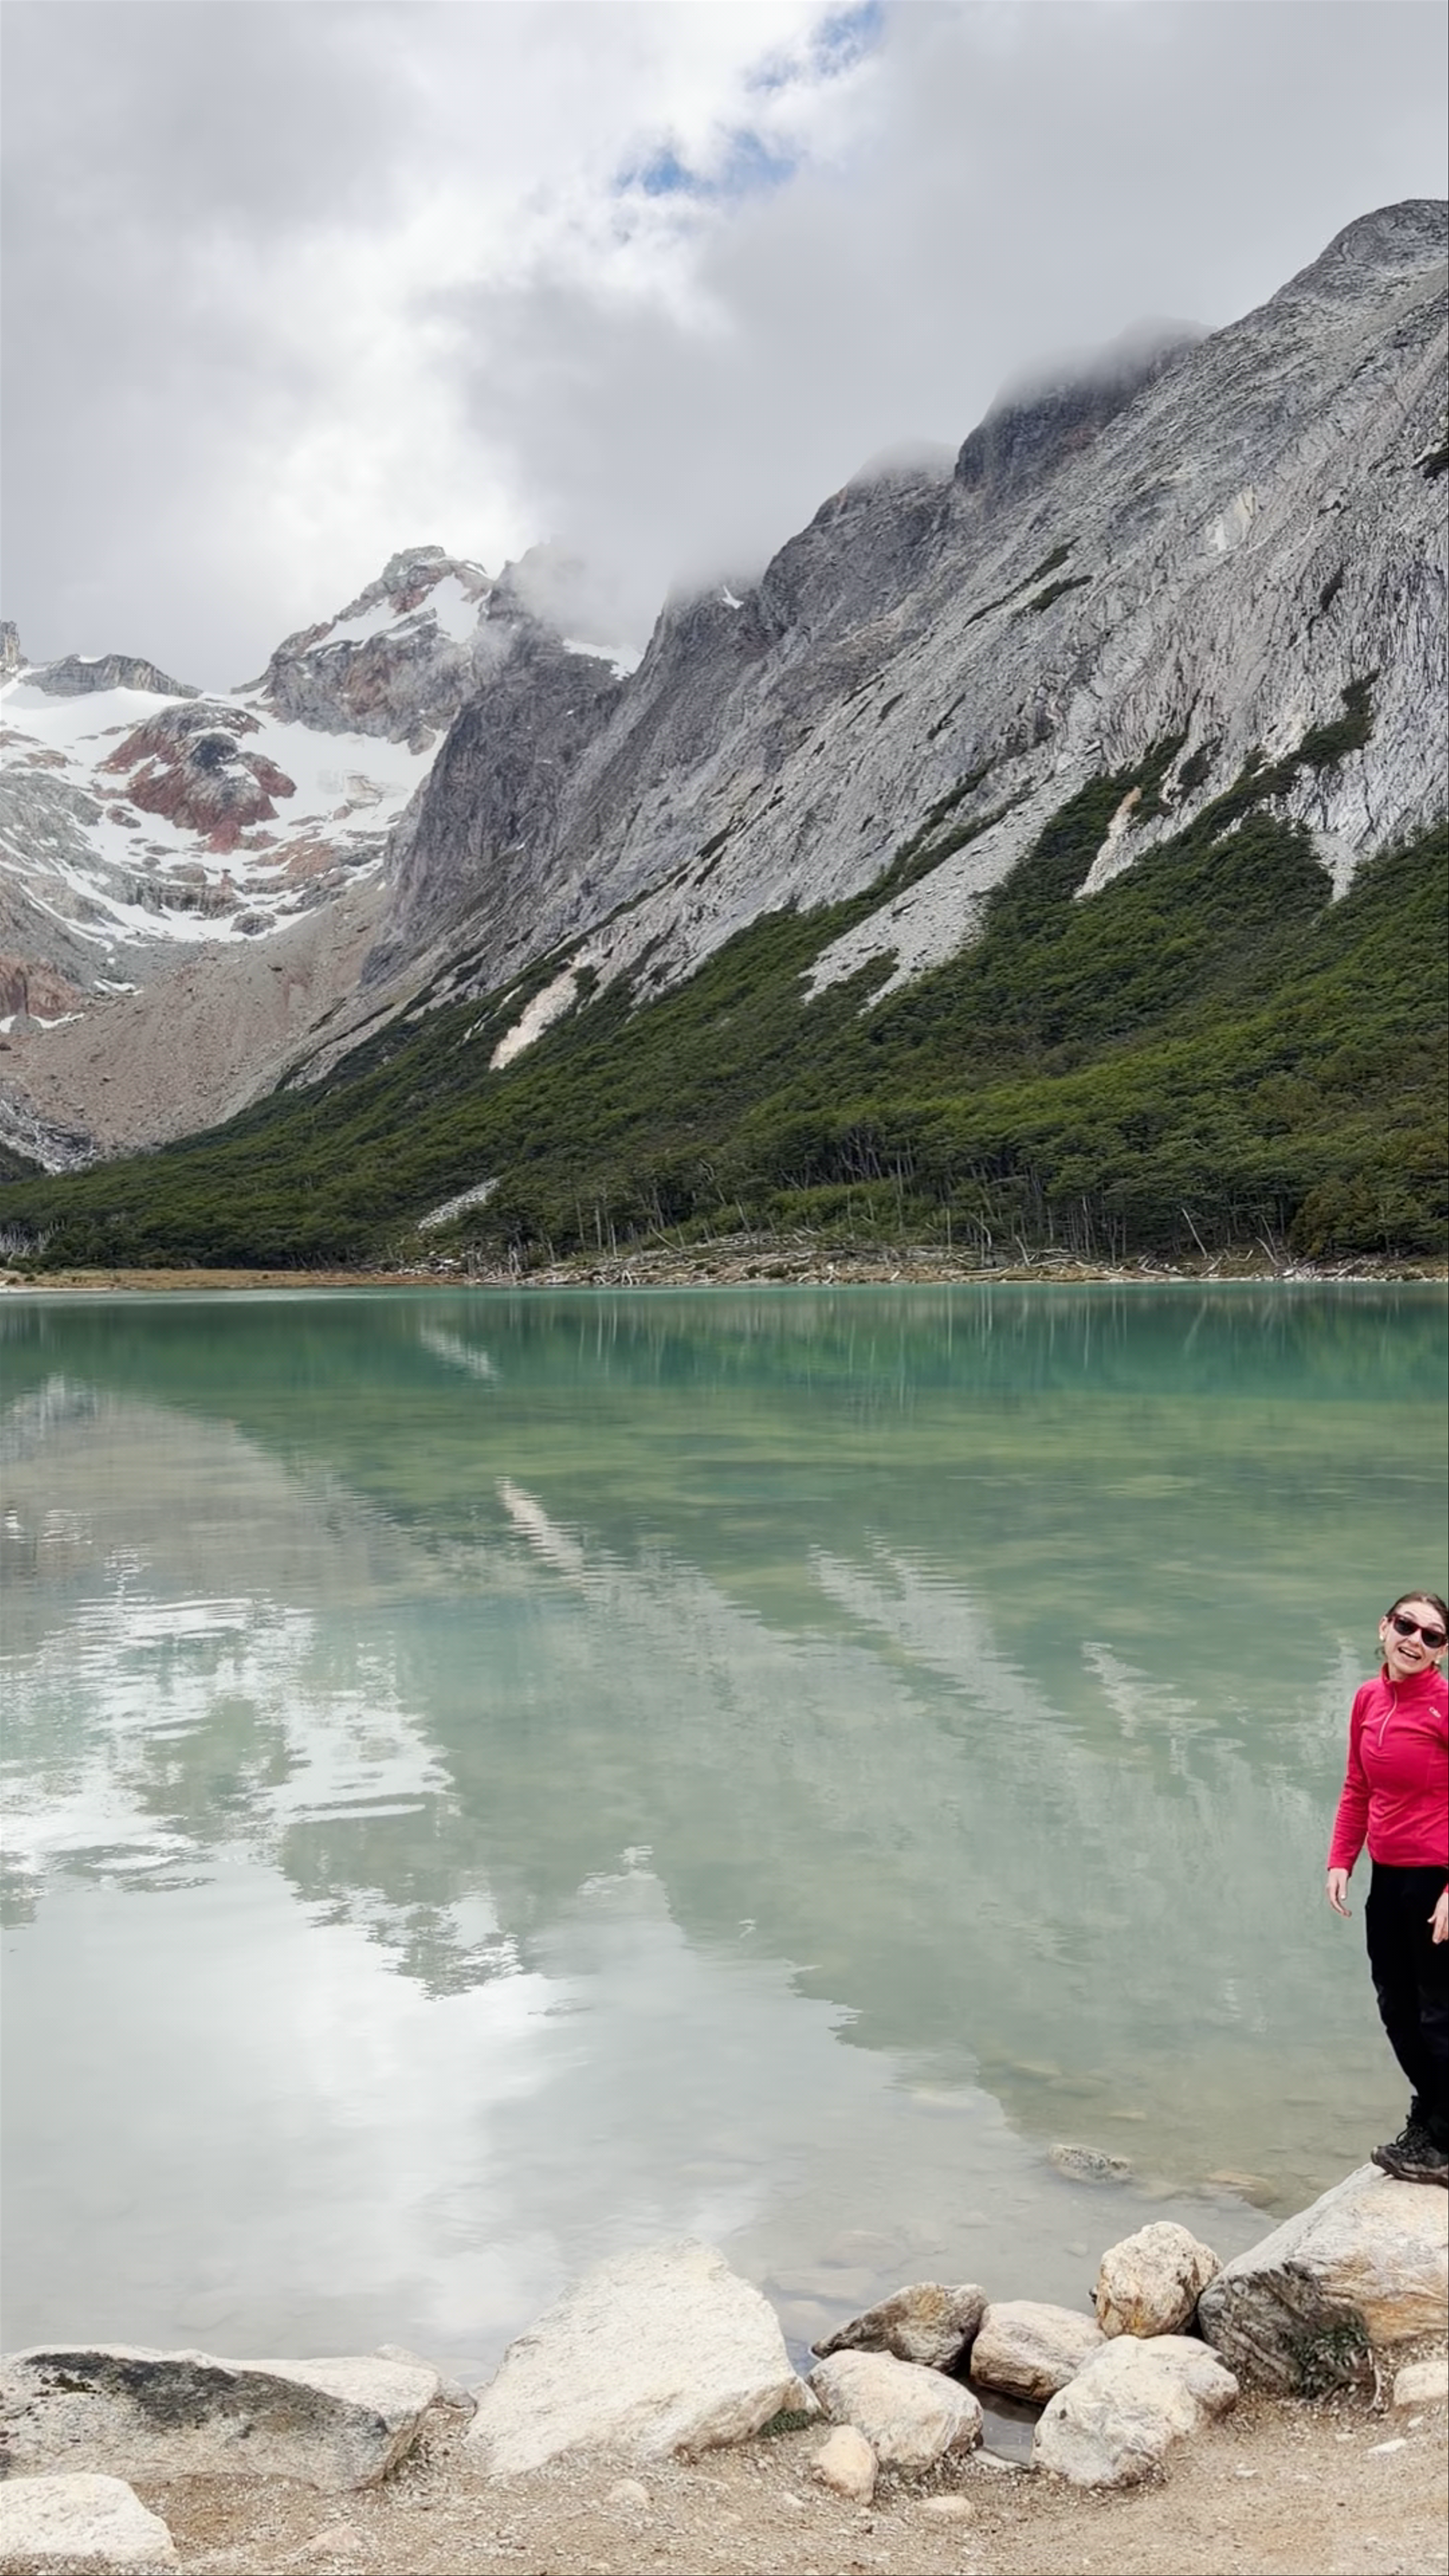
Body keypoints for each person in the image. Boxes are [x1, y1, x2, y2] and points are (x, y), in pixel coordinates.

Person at [1326, 1591, 1449, 2185]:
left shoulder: (1444, 1706)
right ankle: (1432, 2114)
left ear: (1442, 1651)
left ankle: (1444, 2142)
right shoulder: (1367, 1699)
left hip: (1437, 1878)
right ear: (1385, 1627)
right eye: (1406, 1625)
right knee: (1395, 2003)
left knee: (1438, 2010)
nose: (1415, 1641)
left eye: (1432, 1635)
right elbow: (1358, 1785)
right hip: (1389, 1874)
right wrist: (1341, 1859)